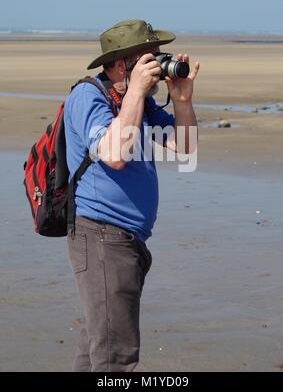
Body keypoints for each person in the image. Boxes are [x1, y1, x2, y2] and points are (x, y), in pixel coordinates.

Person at [64, 19, 200, 372]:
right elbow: (114, 154)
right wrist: (137, 94)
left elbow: (184, 147)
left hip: (127, 241)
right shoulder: (88, 96)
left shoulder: (137, 103)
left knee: (101, 343)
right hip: (101, 237)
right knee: (116, 357)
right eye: (150, 58)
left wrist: (182, 99)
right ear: (122, 63)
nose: (157, 66)